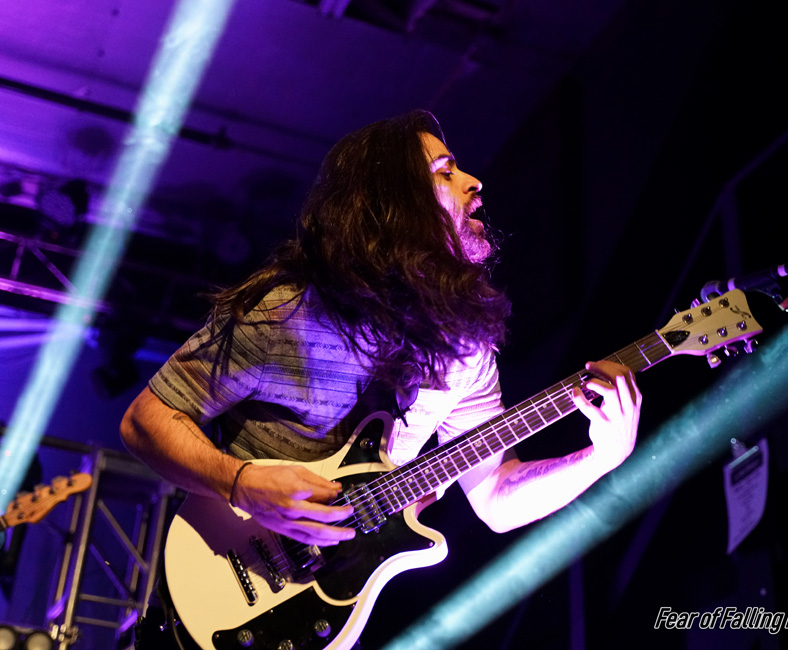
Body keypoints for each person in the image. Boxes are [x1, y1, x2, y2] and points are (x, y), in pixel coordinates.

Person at [120, 109, 641, 647]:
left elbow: (495, 498)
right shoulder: (284, 312)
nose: (474, 182)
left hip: (320, 613)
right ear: (393, 206)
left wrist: (601, 457)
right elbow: (144, 421)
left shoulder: (465, 348)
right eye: (445, 172)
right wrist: (242, 484)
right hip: (222, 582)